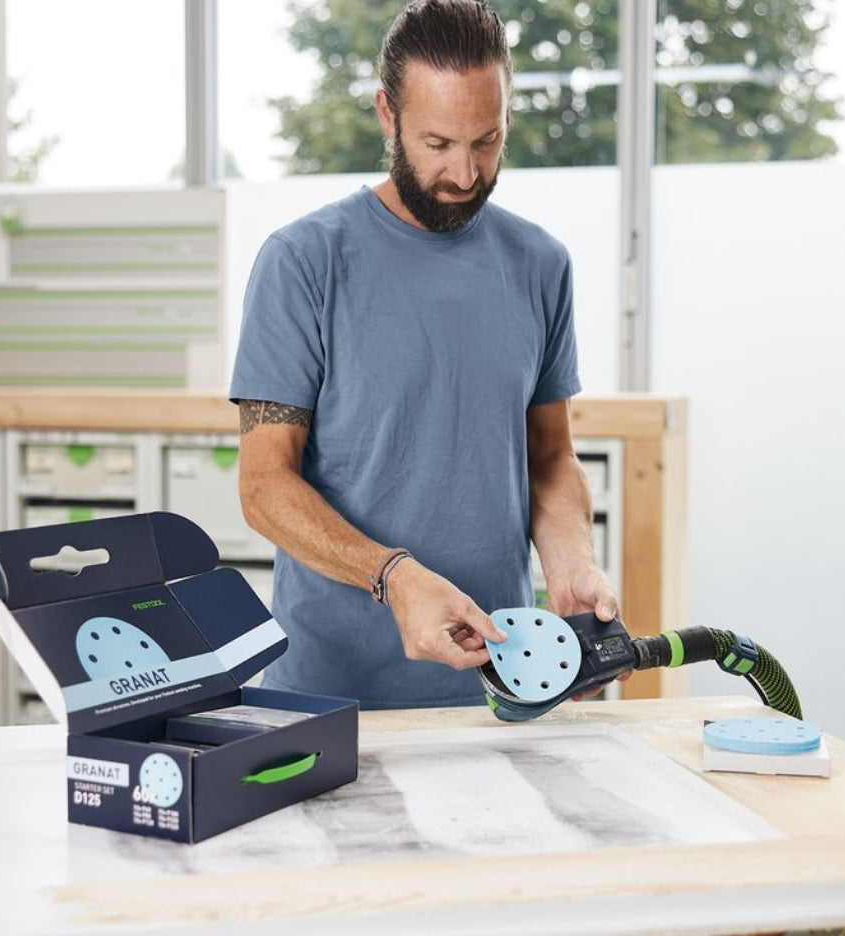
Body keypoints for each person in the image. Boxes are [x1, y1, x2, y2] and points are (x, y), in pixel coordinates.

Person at [229, 0, 620, 710]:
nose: (466, 174)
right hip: (333, 700)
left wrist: (572, 564)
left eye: (487, 141)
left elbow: (551, 459)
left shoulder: (540, 264)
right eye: (438, 143)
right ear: (387, 115)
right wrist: (395, 577)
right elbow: (263, 486)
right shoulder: (304, 262)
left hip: (502, 690)